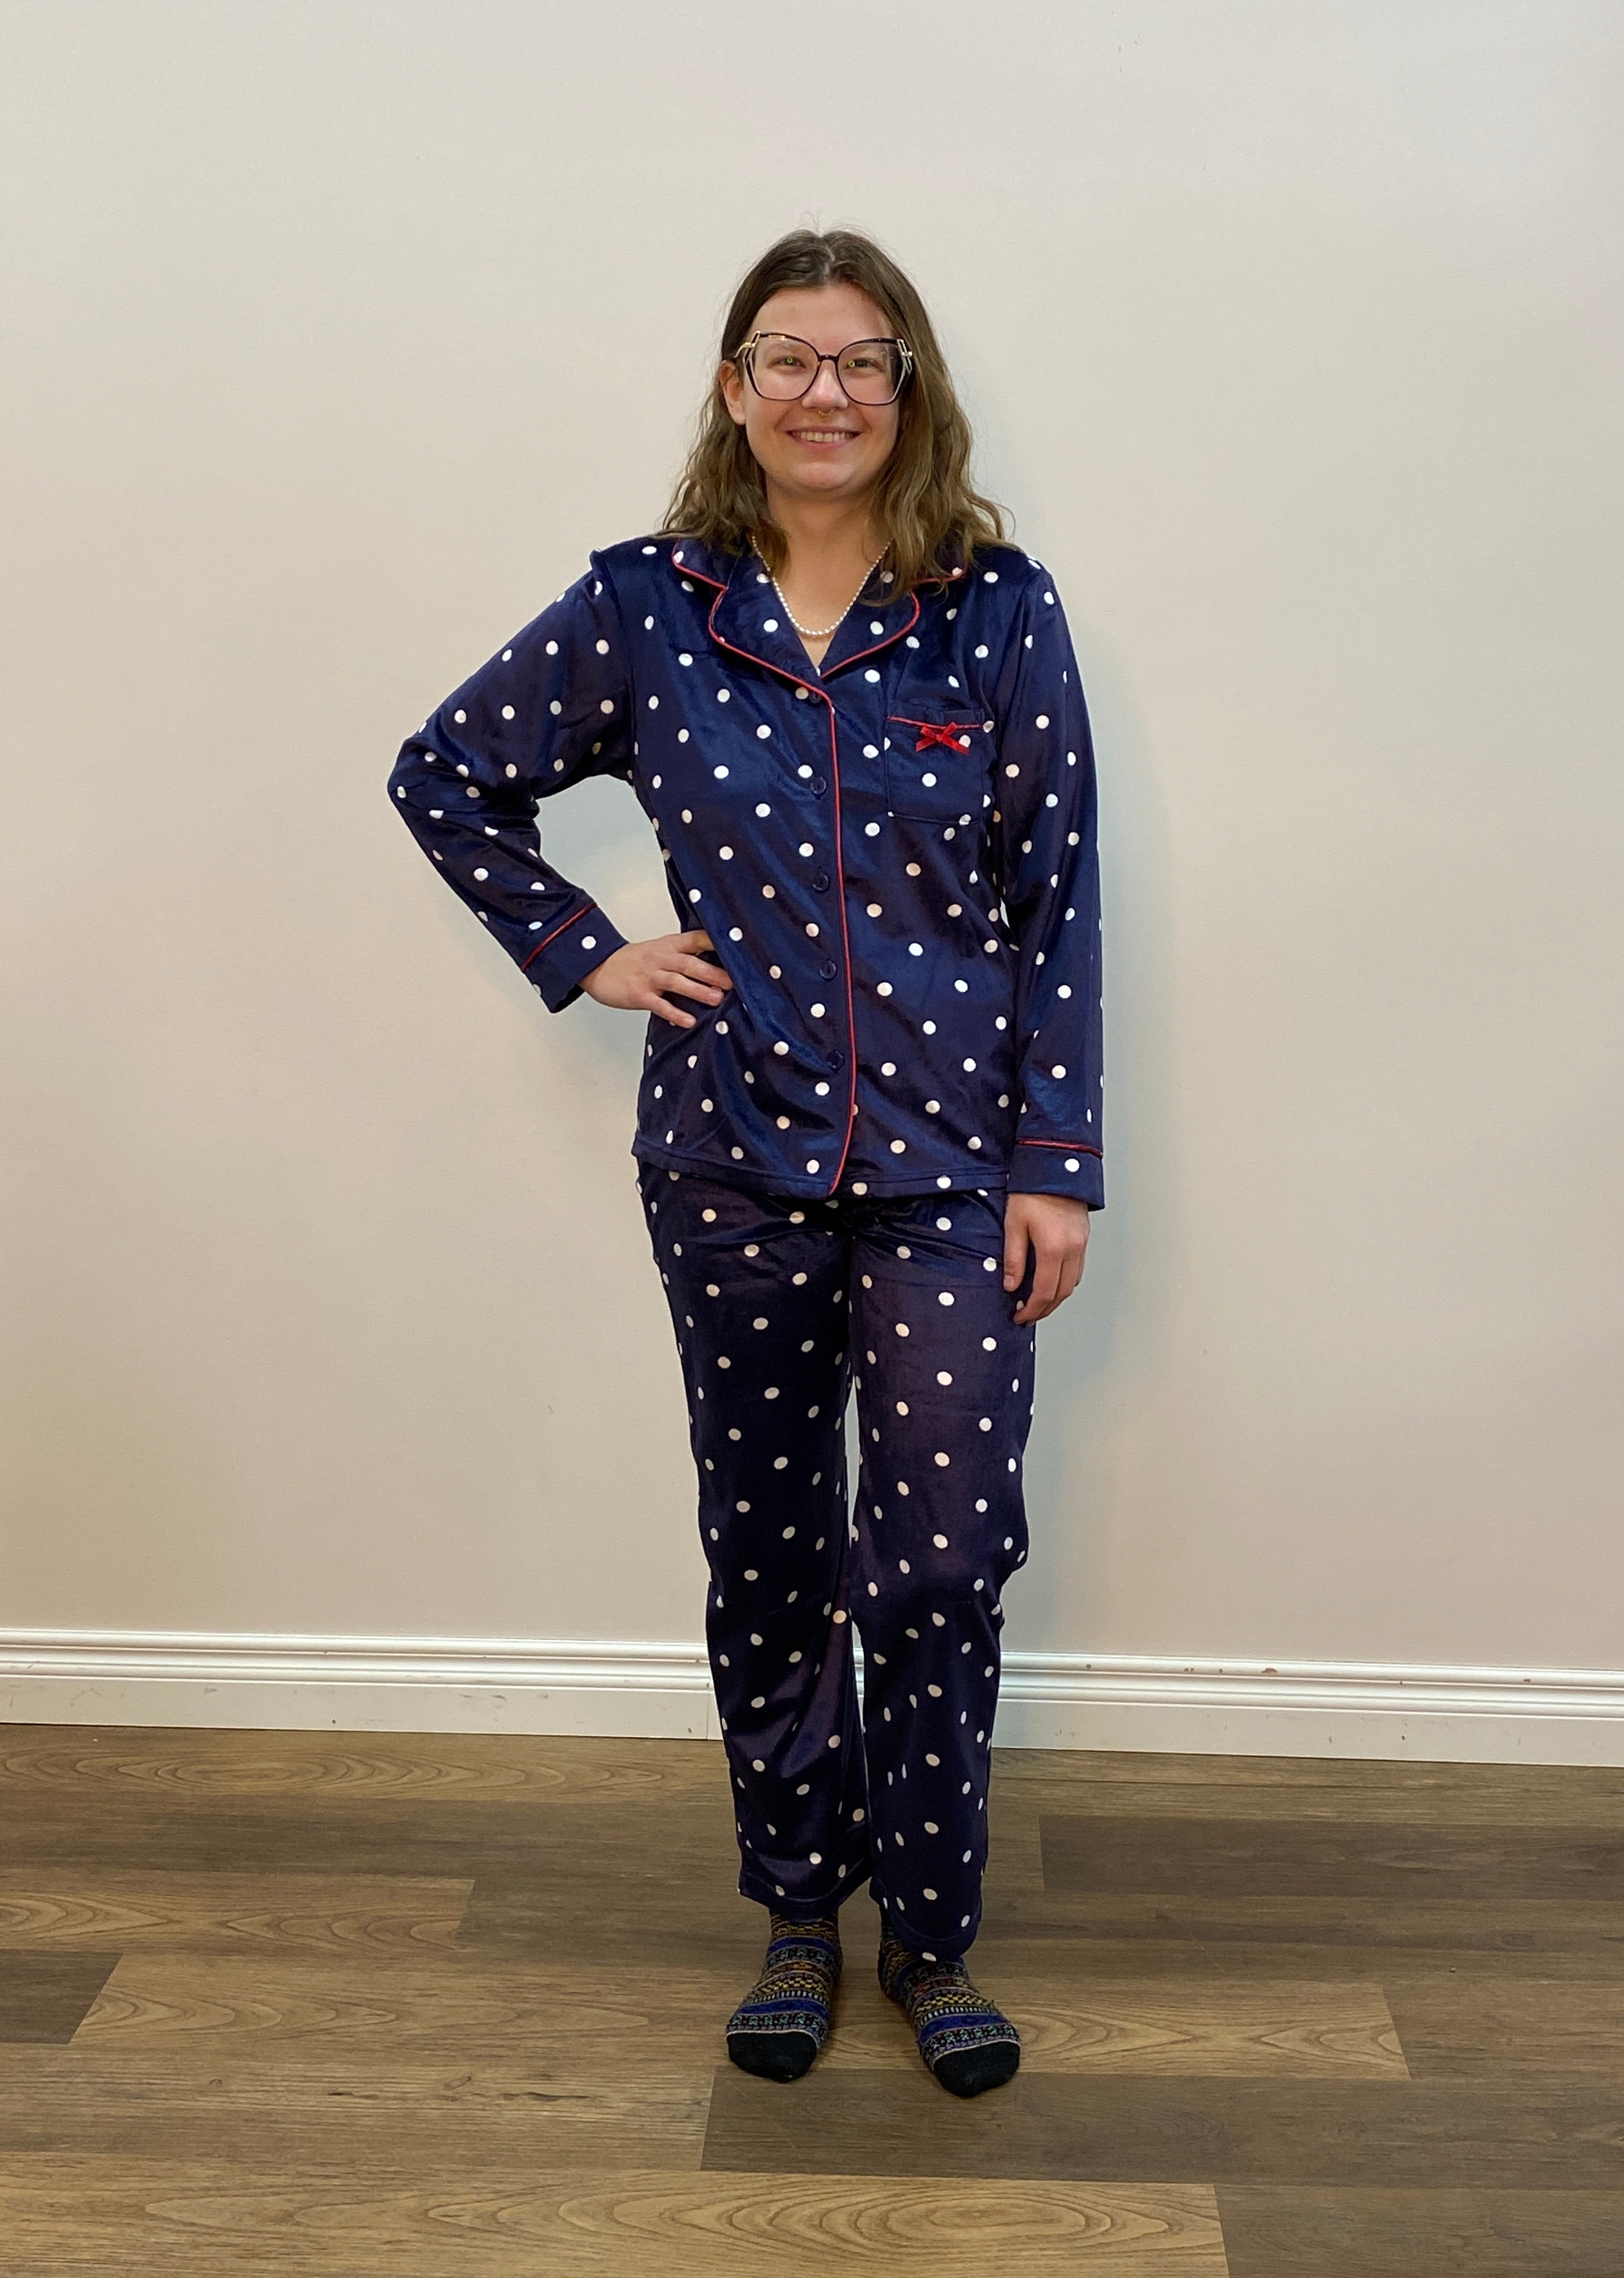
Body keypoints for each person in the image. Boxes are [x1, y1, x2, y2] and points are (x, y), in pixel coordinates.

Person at [387, 228, 1102, 2098]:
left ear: (910, 390)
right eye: (788, 360)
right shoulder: (650, 608)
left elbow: (1057, 898)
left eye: (864, 362)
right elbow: (444, 772)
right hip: (729, 1160)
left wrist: (1059, 1162)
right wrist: (585, 950)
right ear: (734, 388)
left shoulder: (997, 611)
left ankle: (930, 1935)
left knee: (942, 1560)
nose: (826, 394)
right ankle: (800, 1910)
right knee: (771, 1550)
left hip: (956, 1172)